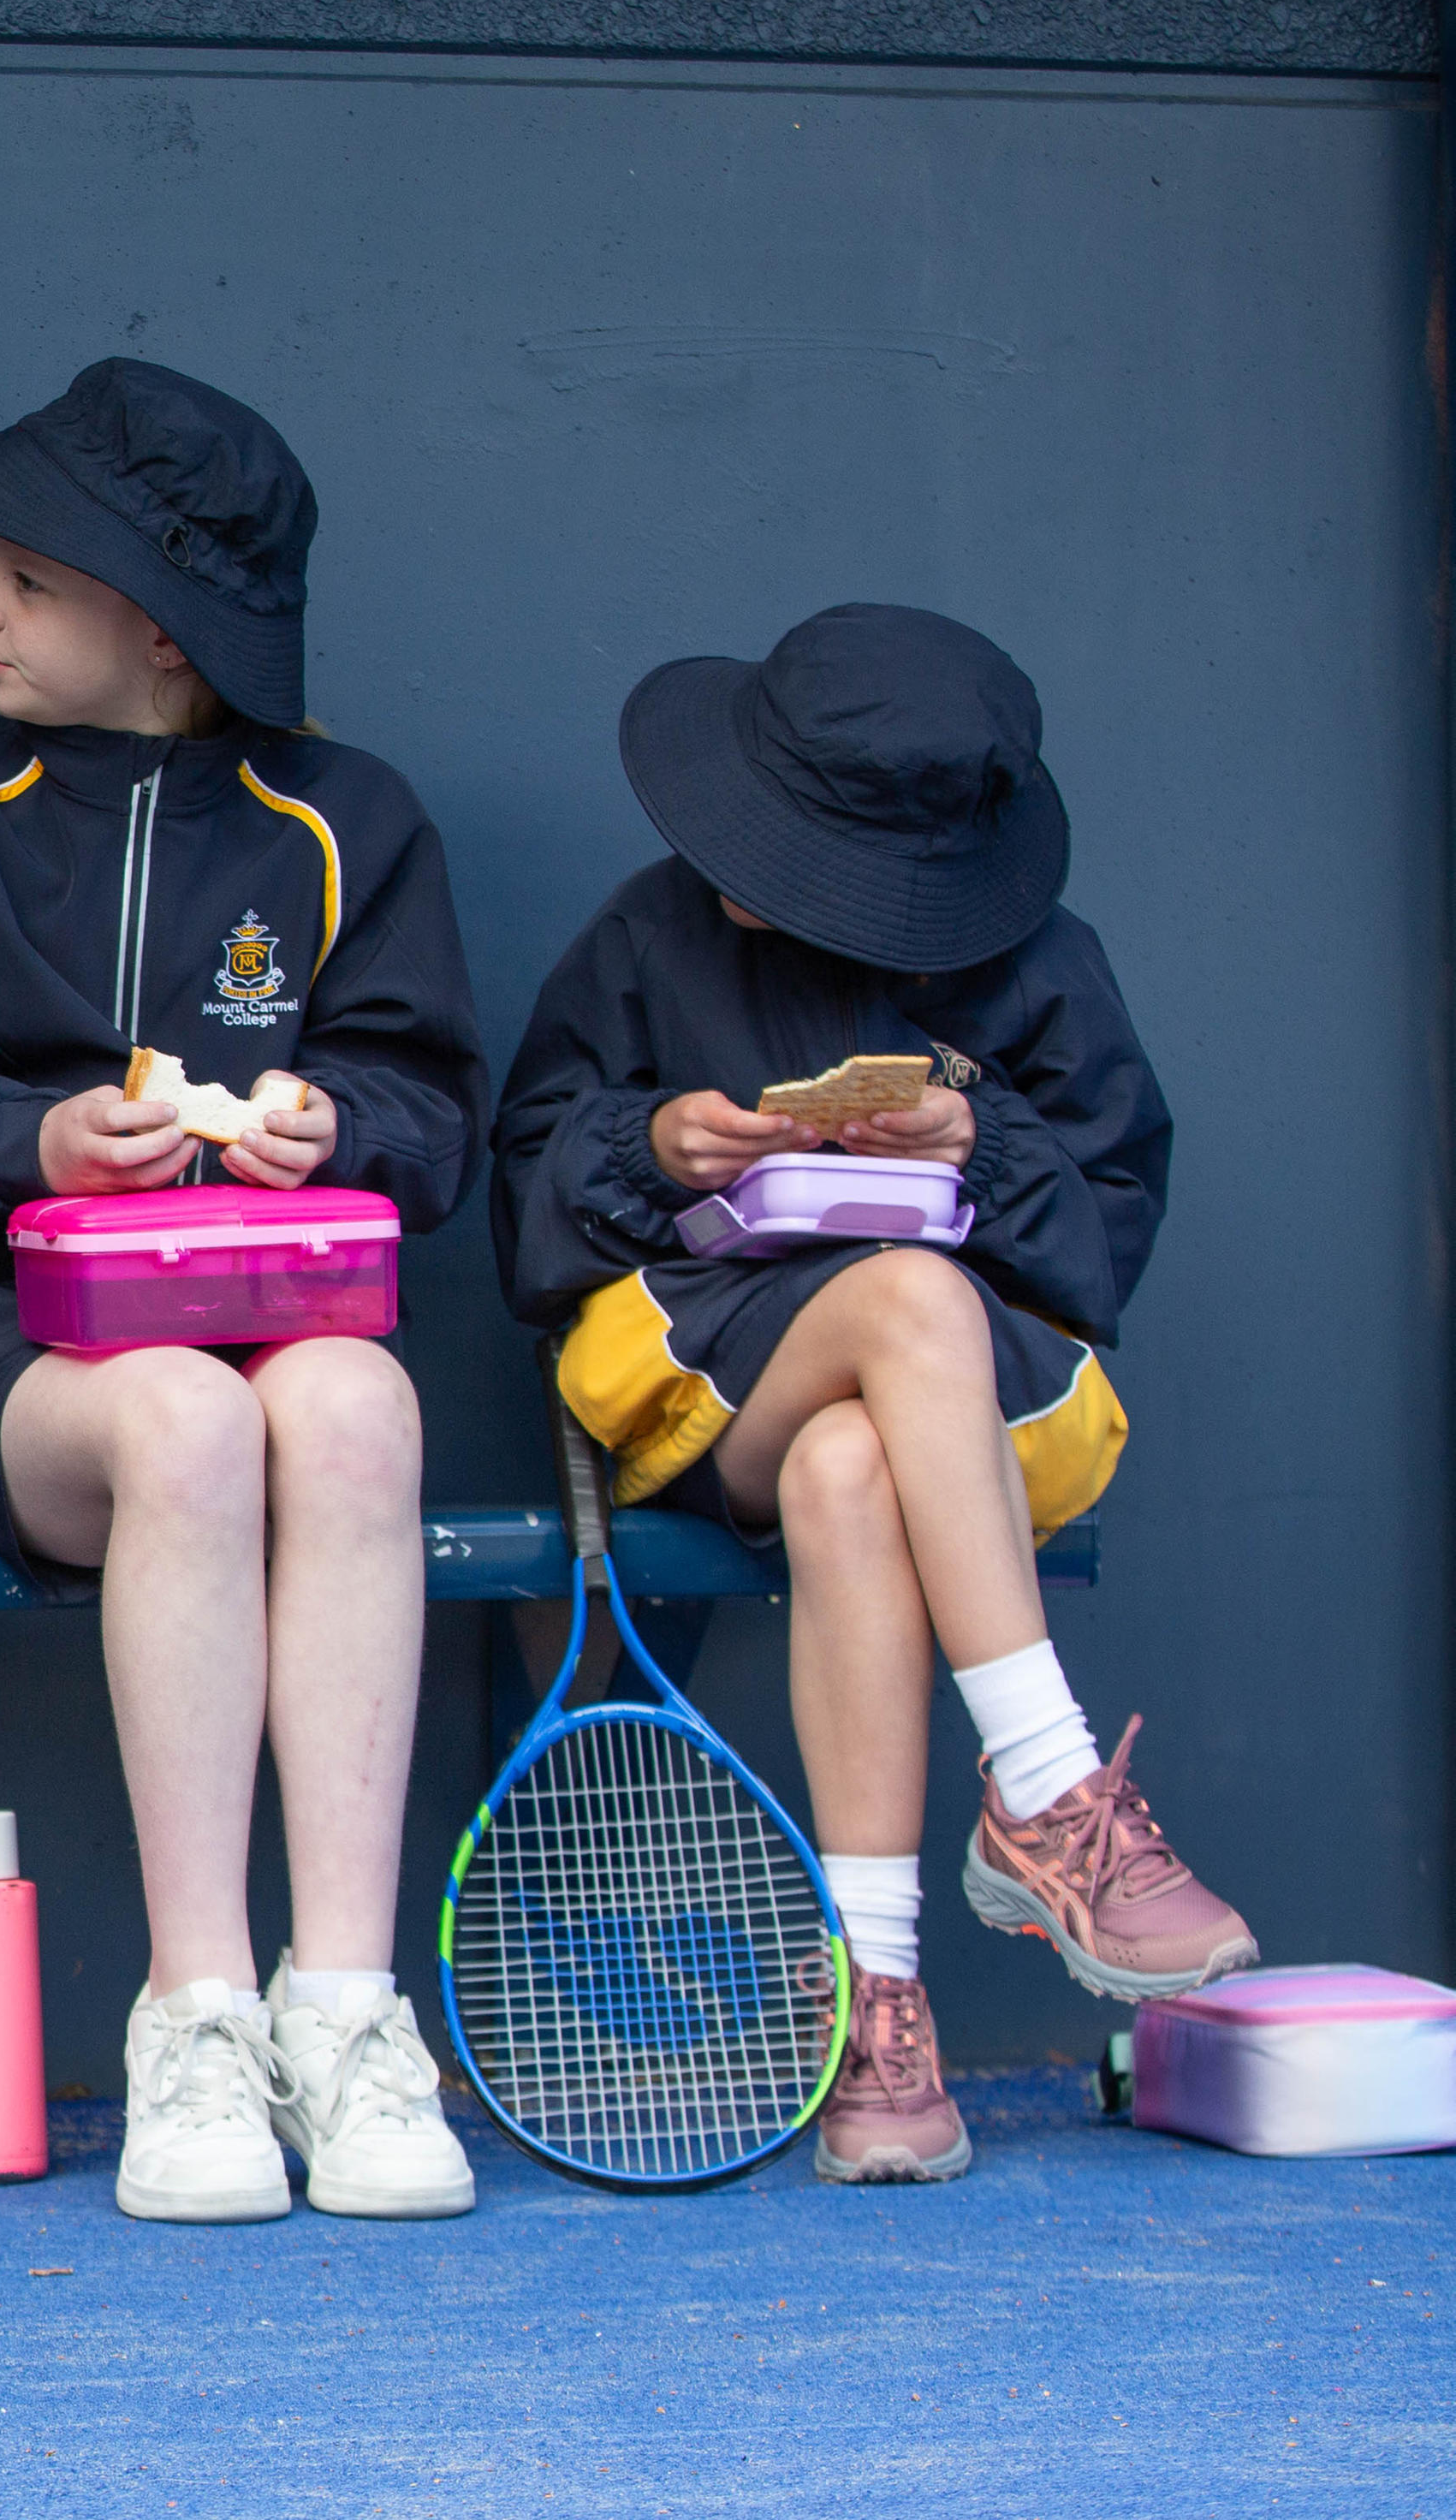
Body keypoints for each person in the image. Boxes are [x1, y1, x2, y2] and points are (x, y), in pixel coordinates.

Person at [0, 361, 487, 2225]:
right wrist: (38, 1142)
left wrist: (335, 1122)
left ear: (157, 628)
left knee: (350, 1398)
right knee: (183, 1408)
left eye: (23, 576)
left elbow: (432, 1105)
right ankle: (197, 2009)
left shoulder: (347, 815)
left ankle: (346, 2007)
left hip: (285, 1314)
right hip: (31, 1363)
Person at [490, 603, 1251, 2185]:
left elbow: (1110, 1228)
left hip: (993, 1412)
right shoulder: (649, 933)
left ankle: (874, 1993)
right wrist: (658, 1145)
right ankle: (1047, 1790)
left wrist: (989, 1147)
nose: (741, 873)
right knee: (892, 1316)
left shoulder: (1045, 969)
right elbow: (522, 1195)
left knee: (857, 1463)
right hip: (705, 1372)